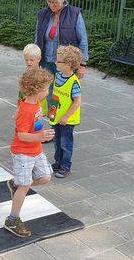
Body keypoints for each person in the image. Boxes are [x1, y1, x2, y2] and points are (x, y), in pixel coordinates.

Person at [5, 67, 54, 238]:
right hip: (23, 152)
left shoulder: (33, 102)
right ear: (37, 90)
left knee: (45, 177)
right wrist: (40, 136)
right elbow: (21, 135)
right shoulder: (27, 108)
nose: (48, 92)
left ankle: (16, 185)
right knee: (24, 186)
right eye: (46, 88)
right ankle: (12, 219)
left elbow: (18, 116)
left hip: (36, 149)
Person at [34, 0, 89, 80]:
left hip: (66, 65)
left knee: (64, 95)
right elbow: (37, 38)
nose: (51, 5)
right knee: (47, 94)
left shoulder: (75, 14)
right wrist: (35, 60)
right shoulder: (42, 14)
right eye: (49, 1)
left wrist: (82, 65)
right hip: (46, 63)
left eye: (55, 2)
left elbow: (83, 40)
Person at [48, 46, 82, 178]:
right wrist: (50, 111)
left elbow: (77, 102)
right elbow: (56, 97)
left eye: (59, 61)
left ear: (68, 64)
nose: (56, 63)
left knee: (65, 144)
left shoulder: (74, 82)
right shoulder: (58, 76)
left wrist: (66, 116)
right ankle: (58, 162)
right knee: (57, 141)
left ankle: (65, 166)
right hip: (56, 116)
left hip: (67, 120)